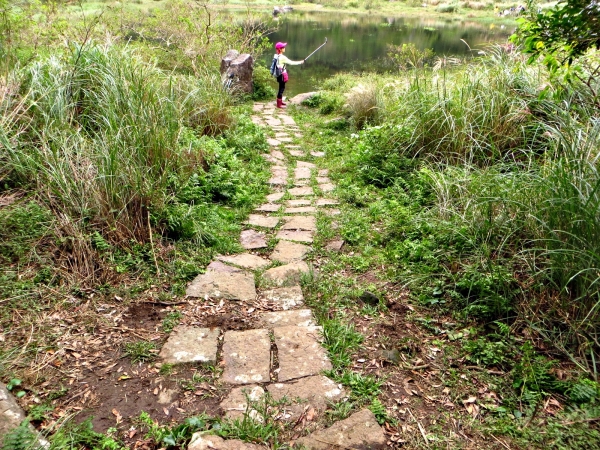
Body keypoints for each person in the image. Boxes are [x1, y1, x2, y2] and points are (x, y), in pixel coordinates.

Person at [274, 42, 304, 109]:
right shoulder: (282, 57)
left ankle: (280, 102)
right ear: (280, 49)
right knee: (281, 89)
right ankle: (279, 105)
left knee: (281, 88)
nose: (284, 48)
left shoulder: (277, 56)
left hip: (279, 74)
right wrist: (300, 62)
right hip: (281, 75)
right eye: (283, 47)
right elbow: (291, 63)